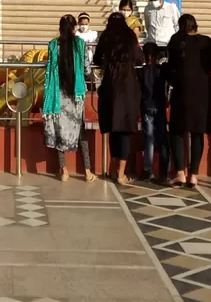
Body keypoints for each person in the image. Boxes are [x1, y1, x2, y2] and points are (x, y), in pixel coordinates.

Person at [41, 14, 95, 181]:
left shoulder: (52, 45)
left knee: (59, 131)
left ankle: (63, 170)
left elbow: (49, 68)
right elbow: (86, 69)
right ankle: (87, 172)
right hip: (76, 94)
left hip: (58, 94)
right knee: (80, 131)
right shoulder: (79, 43)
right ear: (74, 28)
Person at [94, 12, 143, 184]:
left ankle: (114, 170)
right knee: (125, 130)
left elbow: (96, 58)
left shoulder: (106, 36)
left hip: (110, 86)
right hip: (128, 86)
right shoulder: (130, 36)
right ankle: (121, 173)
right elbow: (139, 58)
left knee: (113, 128)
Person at [167, 15, 211, 188]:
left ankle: (180, 173)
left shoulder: (175, 41)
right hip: (202, 91)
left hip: (181, 90)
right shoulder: (206, 41)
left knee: (177, 131)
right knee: (198, 131)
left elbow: (170, 66)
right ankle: (193, 175)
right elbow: (210, 64)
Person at [136, 41, 168, 182]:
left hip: (146, 105)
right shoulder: (162, 70)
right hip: (160, 105)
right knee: (162, 138)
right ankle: (164, 170)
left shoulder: (141, 71)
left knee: (148, 138)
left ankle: (148, 169)